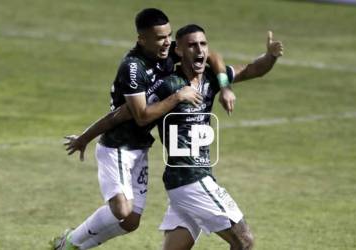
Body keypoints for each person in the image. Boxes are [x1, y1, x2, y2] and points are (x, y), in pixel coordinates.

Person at [52, 8, 235, 250]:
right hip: (118, 146)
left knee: (130, 222)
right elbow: (139, 116)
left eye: (168, 36)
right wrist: (178, 96)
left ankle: (70, 246)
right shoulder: (133, 67)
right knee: (122, 210)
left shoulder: (167, 51)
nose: (167, 43)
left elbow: (213, 56)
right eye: (160, 38)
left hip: (139, 147)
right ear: (142, 39)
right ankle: (70, 241)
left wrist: (224, 87)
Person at [154, 24, 283, 249]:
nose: (200, 50)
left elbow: (254, 69)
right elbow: (137, 112)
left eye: (203, 44)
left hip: (184, 182)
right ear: (179, 51)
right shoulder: (169, 85)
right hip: (190, 178)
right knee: (244, 242)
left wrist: (270, 56)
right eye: (192, 45)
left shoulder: (211, 79)